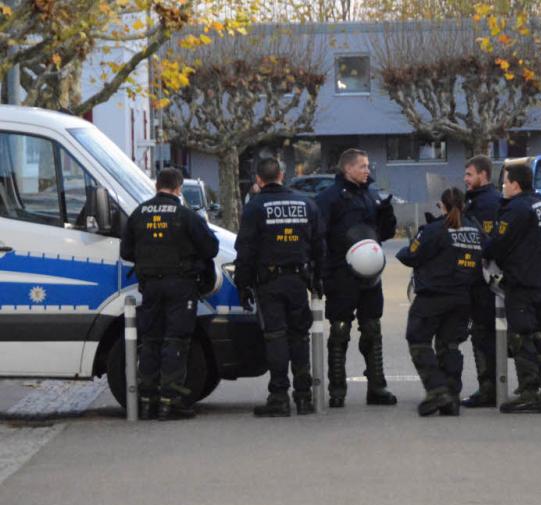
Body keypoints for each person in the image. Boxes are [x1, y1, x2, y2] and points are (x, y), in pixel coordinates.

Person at [120, 167, 219, 420]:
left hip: (150, 286)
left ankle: (146, 400)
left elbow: (126, 251)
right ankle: (170, 402)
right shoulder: (187, 215)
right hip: (181, 286)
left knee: (151, 340)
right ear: (178, 189)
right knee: (176, 341)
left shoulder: (139, 214)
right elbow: (211, 248)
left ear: (156, 186)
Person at [233, 158, 324, 417]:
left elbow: (246, 250)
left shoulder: (256, 207)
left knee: (276, 337)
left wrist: (243, 284)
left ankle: (279, 396)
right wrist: (318, 278)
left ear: (259, 180)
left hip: (269, 282)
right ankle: (304, 396)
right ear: (282, 175)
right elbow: (319, 244)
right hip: (298, 280)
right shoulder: (306, 203)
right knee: (299, 336)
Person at [314, 149, 397, 408]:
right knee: (340, 331)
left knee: (372, 328)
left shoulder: (371, 196)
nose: (367, 170)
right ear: (347, 168)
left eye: (367, 166)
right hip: (340, 274)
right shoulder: (329, 199)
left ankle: (377, 386)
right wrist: (320, 271)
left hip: (370, 275)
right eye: (362, 166)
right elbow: (317, 236)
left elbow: (384, 233)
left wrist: (386, 213)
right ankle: (337, 389)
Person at [483, 164, 541, 413]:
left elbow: (498, 243)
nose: (503, 187)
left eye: (505, 182)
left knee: (520, 337)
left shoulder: (517, 208)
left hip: (522, 281)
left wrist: (483, 248)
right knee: (536, 333)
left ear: (516, 185)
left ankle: (530, 391)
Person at [397, 188, 484, 416]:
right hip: (462, 298)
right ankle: (452, 396)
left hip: (433, 296)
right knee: (450, 345)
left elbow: (411, 256)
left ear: (442, 206)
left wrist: (408, 246)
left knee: (417, 339)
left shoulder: (434, 230)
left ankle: (437, 389)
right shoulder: (475, 229)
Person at [461, 155, 502, 408]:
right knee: (484, 333)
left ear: (483, 175)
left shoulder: (486, 204)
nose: (465, 179)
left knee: (483, 334)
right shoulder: (480, 200)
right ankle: (494, 385)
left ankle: (489, 388)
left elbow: (484, 243)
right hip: (484, 278)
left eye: (469, 174)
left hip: (484, 280)